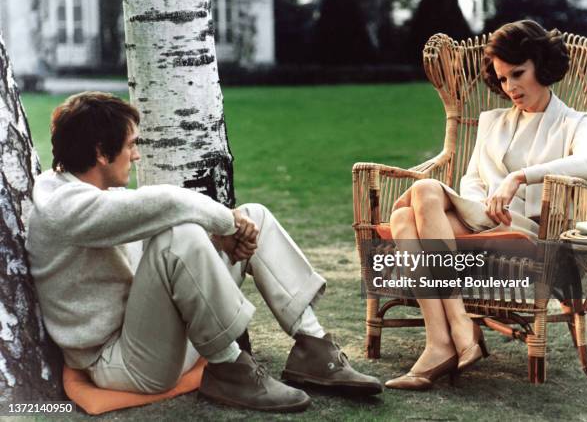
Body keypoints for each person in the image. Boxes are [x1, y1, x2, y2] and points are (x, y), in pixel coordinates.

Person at [26, 91, 382, 412]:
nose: (136, 154)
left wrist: (227, 232)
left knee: (254, 215)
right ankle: (230, 369)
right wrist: (227, 224)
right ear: (102, 152)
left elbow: (154, 217)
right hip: (123, 363)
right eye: (131, 144)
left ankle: (313, 346)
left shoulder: (81, 194)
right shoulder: (65, 209)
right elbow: (166, 203)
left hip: (152, 332)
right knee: (180, 236)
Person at [384, 20, 587, 390]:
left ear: (542, 65)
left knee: (415, 204)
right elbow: (471, 178)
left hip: (525, 226)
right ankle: (447, 338)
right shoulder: (492, 121)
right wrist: (479, 203)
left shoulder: (573, 122)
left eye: (518, 73)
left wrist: (519, 177)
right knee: (407, 215)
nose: (510, 87)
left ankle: (452, 335)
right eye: (502, 79)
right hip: (481, 214)